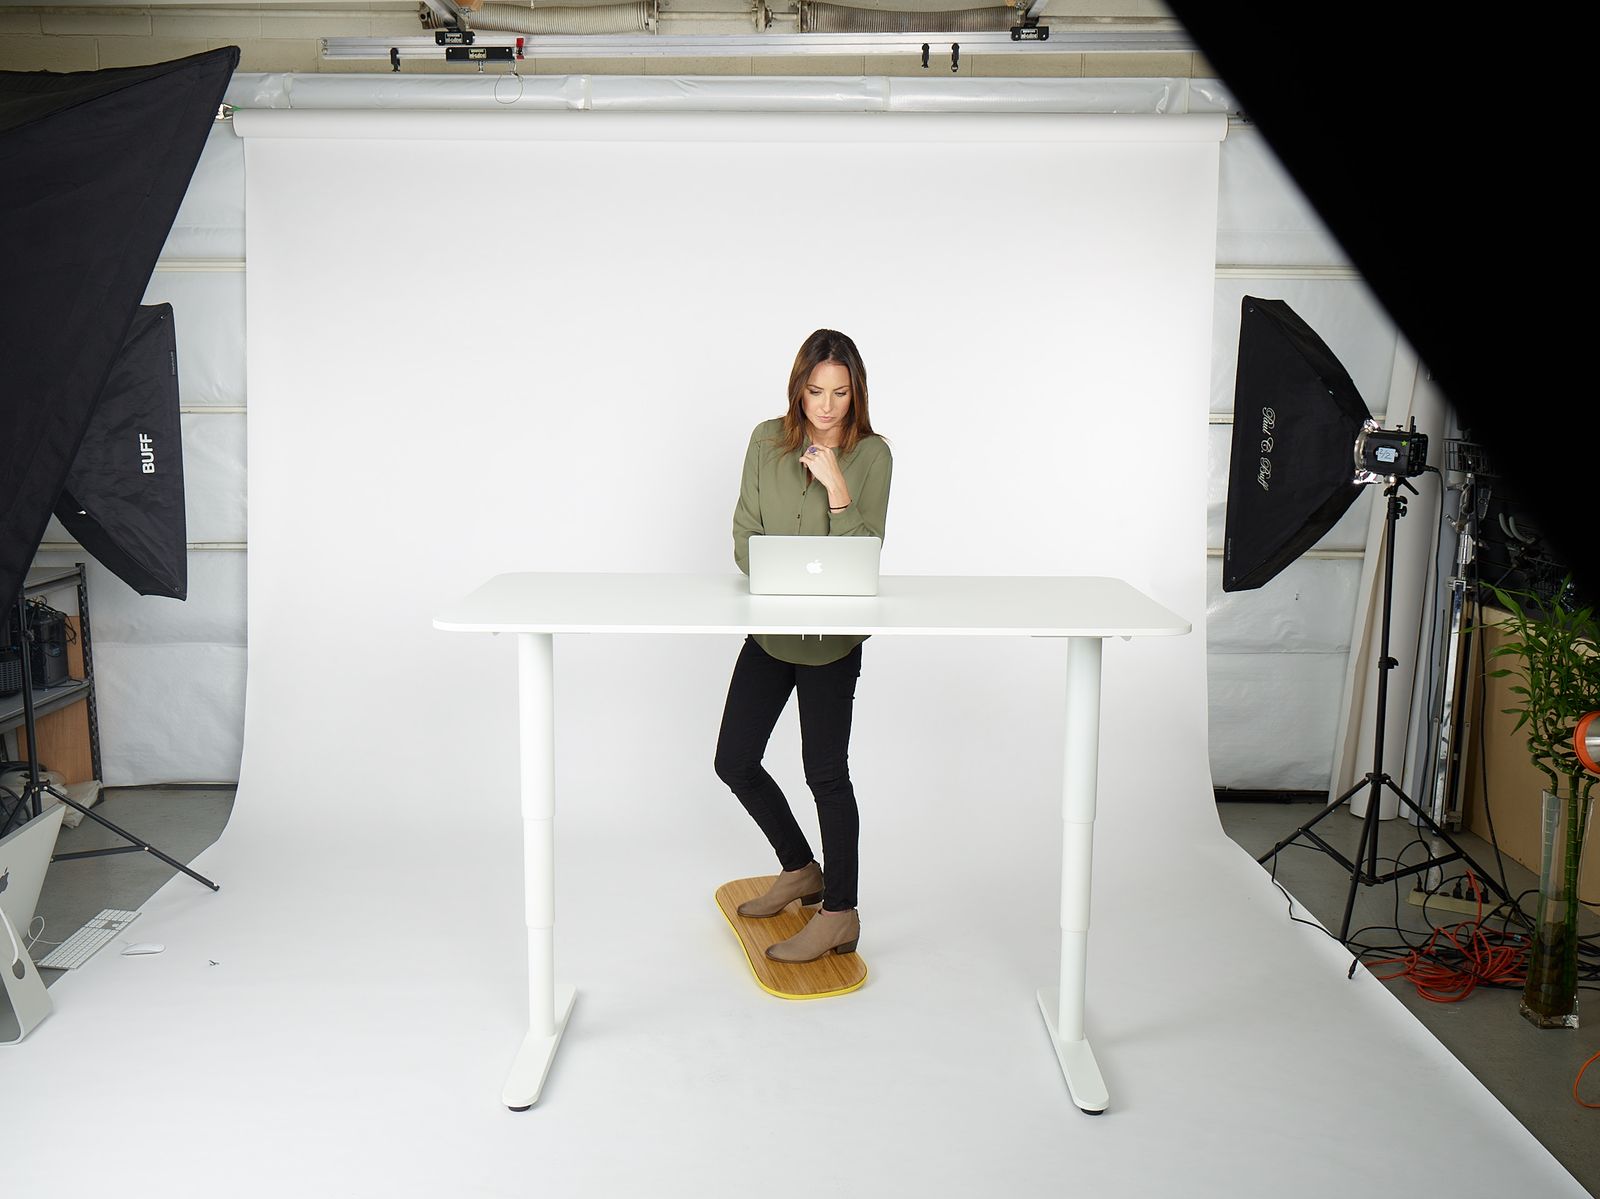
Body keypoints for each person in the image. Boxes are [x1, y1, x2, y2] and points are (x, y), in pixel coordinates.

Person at [715, 328, 892, 964]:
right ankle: (800, 869)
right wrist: (778, 581)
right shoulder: (766, 441)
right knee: (734, 760)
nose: (826, 405)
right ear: (798, 388)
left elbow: (865, 554)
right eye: (816, 391)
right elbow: (744, 535)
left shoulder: (872, 454)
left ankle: (839, 913)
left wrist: (837, 485)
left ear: (856, 393)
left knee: (825, 773)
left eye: (840, 393)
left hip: (832, 643)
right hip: (771, 632)